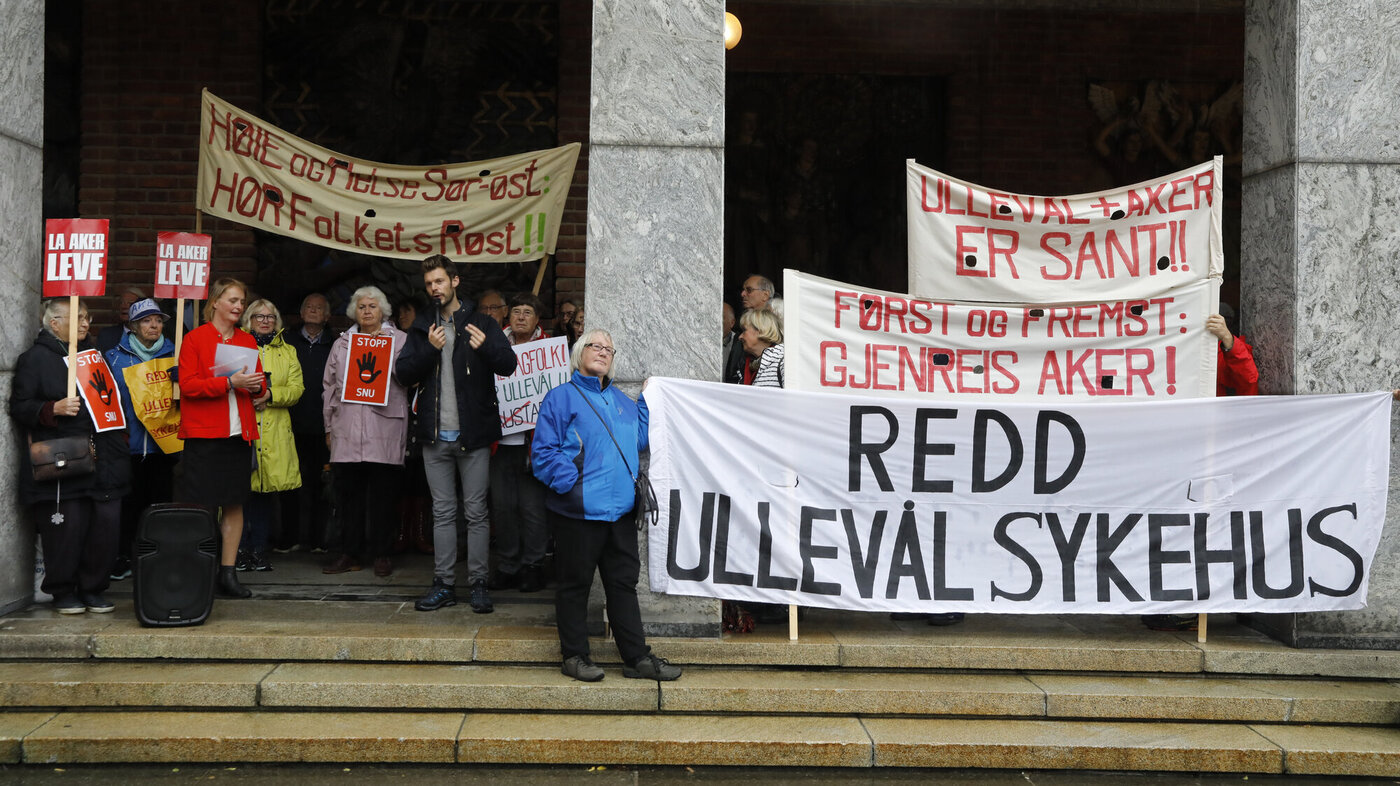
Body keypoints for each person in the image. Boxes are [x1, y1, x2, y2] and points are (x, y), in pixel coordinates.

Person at [532, 329, 681, 682]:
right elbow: (542, 453)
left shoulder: (622, 400)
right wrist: (568, 480)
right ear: (579, 353)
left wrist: (648, 400)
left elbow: (642, 438)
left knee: (622, 587)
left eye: (608, 349)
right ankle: (574, 656)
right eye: (594, 346)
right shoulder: (560, 398)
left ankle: (636, 658)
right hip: (577, 512)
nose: (602, 352)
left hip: (620, 516)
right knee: (574, 586)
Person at [398, 255, 518, 613]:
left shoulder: (481, 323)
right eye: (429, 284)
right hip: (435, 436)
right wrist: (427, 351)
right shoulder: (422, 326)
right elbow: (403, 374)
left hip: (474, 434)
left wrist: (489, 347)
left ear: (454, 281)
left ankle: (479, 583)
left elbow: (509, 365)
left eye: (439, 281)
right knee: (443, 512)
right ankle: (444, 584)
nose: (434, 289)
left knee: (477, 512)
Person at [12, 298, 130, 614]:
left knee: (105, 526)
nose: (85, 323)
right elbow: (20, 406)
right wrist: (52, 409)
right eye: (78, 317)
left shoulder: (95, 357)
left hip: (105, 457)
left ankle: (93, 588)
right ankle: (63, 590)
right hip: (66, 461)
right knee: (68, 528)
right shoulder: (34, 359)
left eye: (88, 318)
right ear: (54, 323)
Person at [1143, 309, 1259, 632]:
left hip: (1208, 455)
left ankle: (1191, 607)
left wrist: (1227, 340)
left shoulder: (1219, 349)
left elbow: (1249, 381)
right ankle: (1166, 601)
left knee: (1199, 532)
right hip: (1169, 454)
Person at [174, 278, 266, 599]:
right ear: (215, 302)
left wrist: (256, 386)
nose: (239, 306)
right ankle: (199, 572)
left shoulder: (247, 340)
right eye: (233, 300)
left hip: (238, 433)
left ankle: (228, 574)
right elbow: (188, 386)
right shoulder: (195, 339)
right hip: (204, 435)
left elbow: (260, 385)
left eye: (241, 301)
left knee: (234, 502)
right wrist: (229, 382)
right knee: (202, 506)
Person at [321, 286, 412, 577]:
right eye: (362, 307)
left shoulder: (400, 341)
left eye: (373, 306)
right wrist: (328, 426)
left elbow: (409, 379)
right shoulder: (342, 343)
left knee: (383, 497)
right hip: (347, 429)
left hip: (383, 428)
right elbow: (329, 388)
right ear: (354, 312)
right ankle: (350, 553)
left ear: (383, 310)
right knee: (349, 497)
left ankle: (383, 553)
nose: (368, 311)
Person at [103, 298, 177, 581]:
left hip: (163, 446)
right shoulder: (113, 357)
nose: (154, 325)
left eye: (158, 320)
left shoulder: (176, 354)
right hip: (127, 445)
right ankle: (123, 557)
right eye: (147, 321)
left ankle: (154, 558)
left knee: (158, 505)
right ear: (132, 326)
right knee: (127, 505)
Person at [489, 292, 551, 593]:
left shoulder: (548, 351)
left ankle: (533, 565)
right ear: (507, 316)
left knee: (532, 508)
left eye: (528, 312)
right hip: (499, 444)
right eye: (516, 311)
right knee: (503, 508)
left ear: (537, 319)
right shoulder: (493, 345)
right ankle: (507, 565)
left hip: (533, 445)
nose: (522, 317)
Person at [237, 300, 304, 573]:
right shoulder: (236, 347)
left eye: (270, 317)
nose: (265, 321)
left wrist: (271, 396)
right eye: (258, 316)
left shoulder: (288, 351)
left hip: (274, 430)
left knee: (264, 494)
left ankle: (259, 551)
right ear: (248, 320)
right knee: (238, 495)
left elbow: (297, 389)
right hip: (243, 427)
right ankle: (238, 551)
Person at [280, 293, 338, 554]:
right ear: (301, 314)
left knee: (320, 484)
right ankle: (288, 537)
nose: (313, 311)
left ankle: (318, 540)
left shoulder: (336, 343)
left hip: (322, 425)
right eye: (309, 307)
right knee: (289, 483)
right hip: (289, 423)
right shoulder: (286, 341)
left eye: (319, 308)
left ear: (327, 316)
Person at [724, 274, 774, 384]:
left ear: (765, 295)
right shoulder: (740, 336)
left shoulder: (784, 328)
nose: (742, 294)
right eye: (743, 290)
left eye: (749, 290)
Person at [737, 306, 785, 388]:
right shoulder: (746, 365)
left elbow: (794, 397)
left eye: (744, 330)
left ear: (761, 330)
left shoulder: (783, 359)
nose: (740, 337)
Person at [94, 285, 145, 352]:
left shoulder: (151, 334)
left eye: (130, 303)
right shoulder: (106, 335)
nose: (124, 306)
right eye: (121, 303)